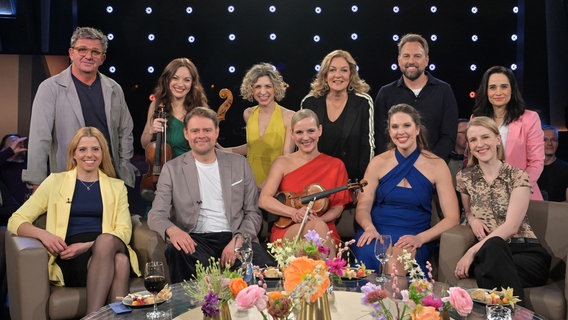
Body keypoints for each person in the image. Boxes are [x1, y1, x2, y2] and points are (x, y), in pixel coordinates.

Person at [7, 127, 141, 314]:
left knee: (107, 242)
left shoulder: (116, 187)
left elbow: (124, 232)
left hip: (105, 244)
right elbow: (16, 219)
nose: (90, 155)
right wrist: (44, 235)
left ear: (103, 153)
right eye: (83, 149)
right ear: (74, 154)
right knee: (120, 262)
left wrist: (88, 245)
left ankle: (91, 316)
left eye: (96, 149)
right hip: (71, 255)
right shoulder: (55, 181)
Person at [147, 107, 275, 282]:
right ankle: (191, 308)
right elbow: (156, 214)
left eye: (207, 130)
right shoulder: (172, 168)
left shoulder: (239, 164)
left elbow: (253, 212)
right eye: (195, 131)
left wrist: (240, 240)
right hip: (196, 240)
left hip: (234, 236)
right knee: (175, 252)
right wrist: (173, 230)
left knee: (270, 275)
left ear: (216, 132)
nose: (201, 135)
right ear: (186, 134)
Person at [22, 27, 137, 191]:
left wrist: (124, 170)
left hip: (110, 180)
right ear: (71, 53)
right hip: (67, 179)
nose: (88, 56)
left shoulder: (114, 88)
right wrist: (36, 183)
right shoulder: (50, 88)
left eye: (95, 52)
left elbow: (125, 132)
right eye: (82, 49)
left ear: (102, 58)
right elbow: (39, 139)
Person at [454, 116, 551, 303]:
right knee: (492, 257)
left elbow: (511, 227)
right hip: (490, 254)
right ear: (469, 145)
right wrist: (472, 219)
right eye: (473, 140)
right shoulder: (464, 178)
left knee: (489, 262)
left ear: (498, 139)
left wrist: (471, 252)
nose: (479, 144)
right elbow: (468, 211)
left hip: (525, 253)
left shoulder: (518, 176)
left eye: (485, 137)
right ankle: (514, 314)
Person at [353, 104, 459, 273]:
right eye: (394, 127)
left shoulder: (437, 165)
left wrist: (420, 238)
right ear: (389, 132)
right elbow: (363, 206)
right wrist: (368, 227)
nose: (400, 132)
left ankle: (392, 300)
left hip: (415, 236)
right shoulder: (378, 163)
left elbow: (452, 218)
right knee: (370, 254)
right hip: (377, 233)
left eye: (406, 126)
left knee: (395, 263)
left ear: (417, 129)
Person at [259, 109, 352, 249]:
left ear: (320, 130)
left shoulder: (336, 165)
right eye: (299, 132)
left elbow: (338, 207)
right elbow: (264, 200)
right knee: (315, 230)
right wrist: (293, 213)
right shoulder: (281, 163)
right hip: (288, 227)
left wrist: (317, 220)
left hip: (325, 227)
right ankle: (327, 270)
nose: (305, 137)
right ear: (291, 133)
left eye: (311, 131)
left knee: (317, 228)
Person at [374, 33, 458, 161]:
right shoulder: (385, 93)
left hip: (433, 170)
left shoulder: (444, 91)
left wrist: (426, 164)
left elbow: (448, 136)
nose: (411, 61)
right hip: (395, 169)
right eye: (406, 56)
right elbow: (381, 138)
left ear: (426, 60)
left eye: (417, 56)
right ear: (399, 60)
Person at [471, 66, 544, 200]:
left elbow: (536, 162)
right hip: (485, 196)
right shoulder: (476, 119)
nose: (498, 92)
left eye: (504, 86)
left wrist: (517, 188)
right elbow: (472, 159)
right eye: (492, 87)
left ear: (512, 90)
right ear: (486, 91)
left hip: (521, 194)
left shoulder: (530, 118)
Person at [301, 49, 374, 182]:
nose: (338, 75)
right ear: (325, 75)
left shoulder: (363, 102)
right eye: (332, 70)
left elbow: (367, 146)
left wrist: (364, 182)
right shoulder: (310, 102)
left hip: (351, 180)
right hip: (316, 179)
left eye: (344, 70)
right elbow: (301, 144)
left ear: (351, 74)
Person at [220, 63, 295, 188]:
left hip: (277, 183)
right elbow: (253, 146)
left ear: (275, 88)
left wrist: (268, 185)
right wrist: (225, 150)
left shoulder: (289, 116)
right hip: (250, 181)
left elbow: (287, 158)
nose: (263, 91)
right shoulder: (248, 114)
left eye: (268, 86)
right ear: (251, 89)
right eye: (258, 87)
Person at [141, 57, 209, 158]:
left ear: (192, 83)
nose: (180, 84)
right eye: (175, 78)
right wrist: (152, 130)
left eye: (187, 80)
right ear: (167, 79)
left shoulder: (200, 108)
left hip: (190, 168)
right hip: (163, 170)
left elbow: (206, 148)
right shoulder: (156, 105)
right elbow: (144, 144)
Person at [537, 125, 568, 201]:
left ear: (557, 143)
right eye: (545, 140)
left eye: (553, 140)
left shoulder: (566, 169)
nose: (549, 143)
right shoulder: (529, 169)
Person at [0, 134, 29, 205]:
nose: (18, 144)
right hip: (9, 211)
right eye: (13, 142)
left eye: (20, 142)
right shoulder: (3, 166)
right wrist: (10, 151)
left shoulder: (29, 164)